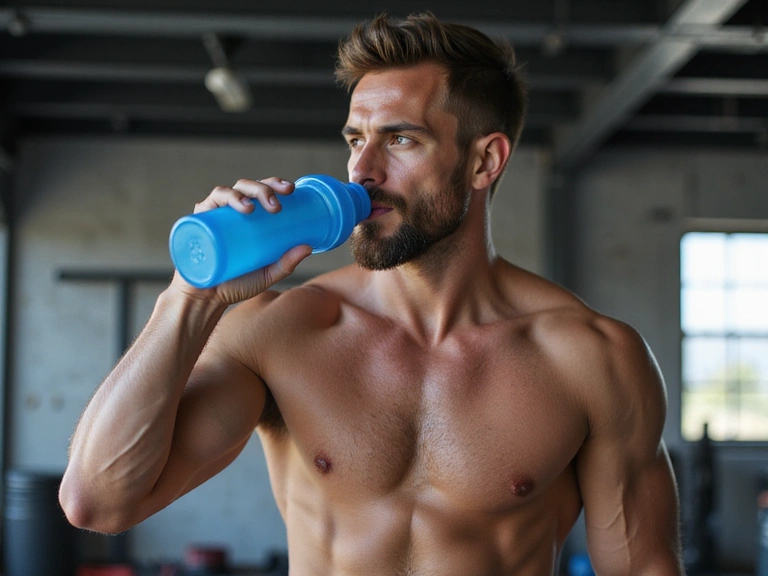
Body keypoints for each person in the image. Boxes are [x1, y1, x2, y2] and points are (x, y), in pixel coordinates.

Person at [60, 12, 684, 575]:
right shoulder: (280, 330)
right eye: (356, 139)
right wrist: (190, 299)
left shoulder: (592, 358)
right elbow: (97, 503)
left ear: (484, 162)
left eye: (401, 139)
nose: (362, 170)